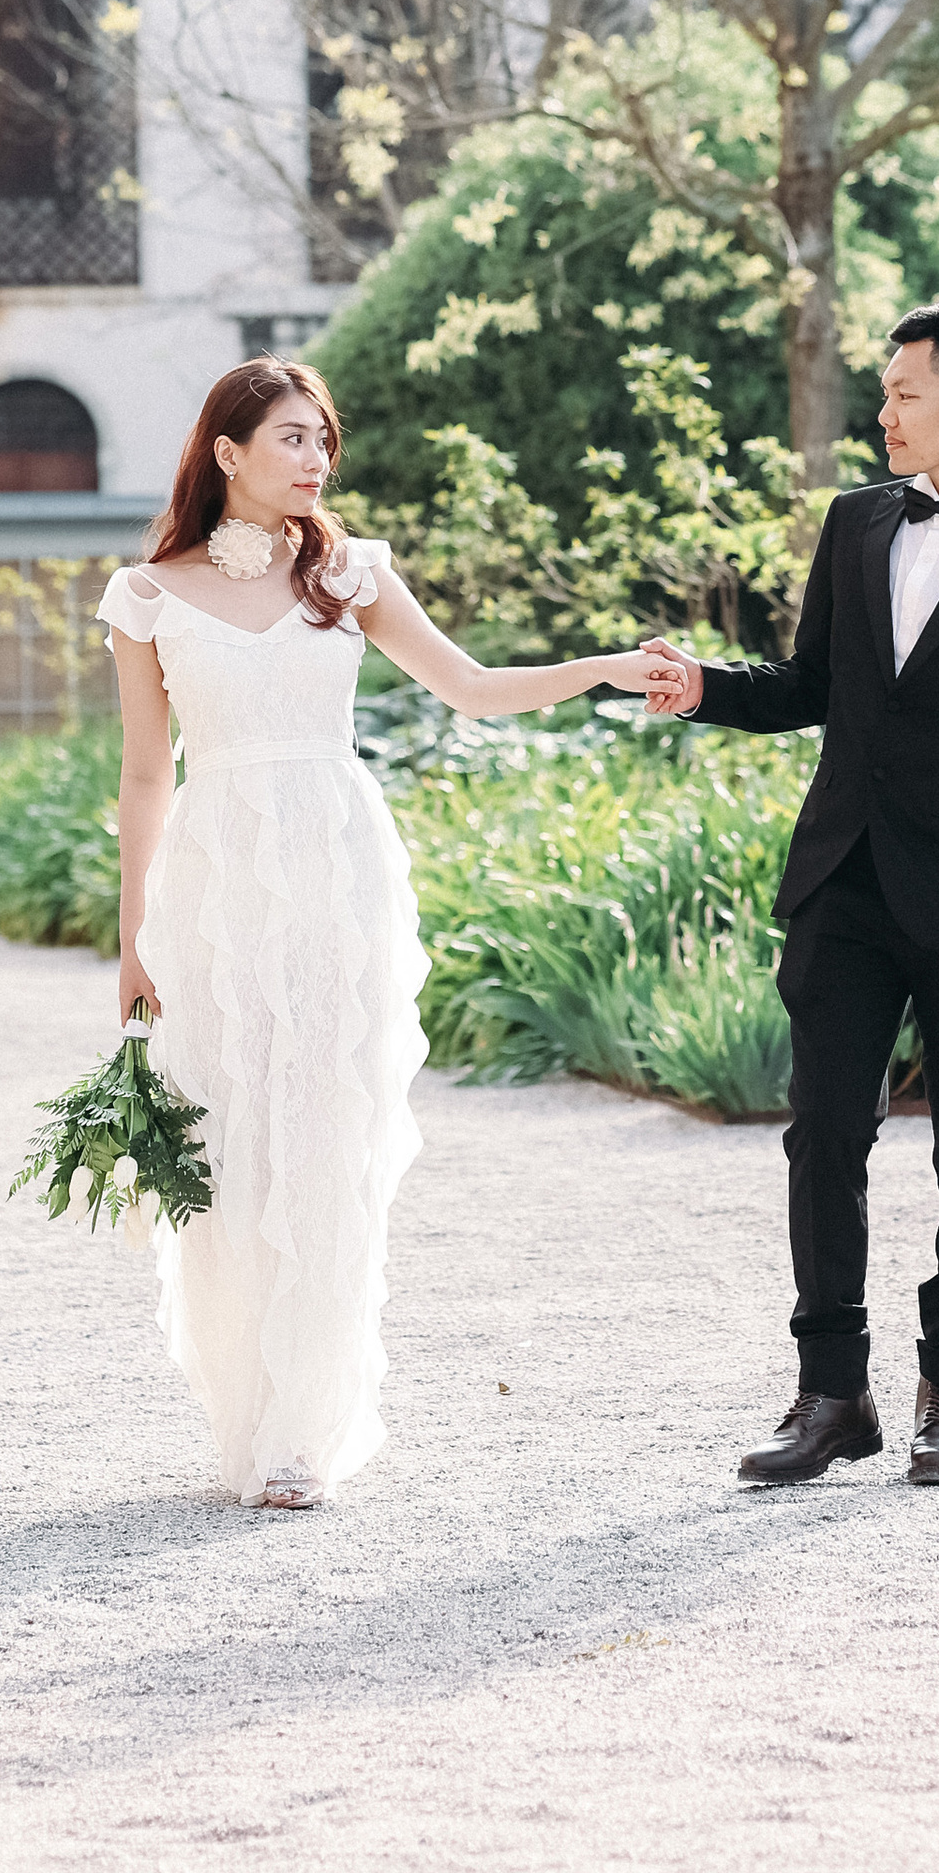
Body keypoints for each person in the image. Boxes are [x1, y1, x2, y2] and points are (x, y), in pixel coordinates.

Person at [101, 357, 672, 1511]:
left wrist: (604, 669)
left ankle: (300, 1432)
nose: (316, 460)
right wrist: (135, 936)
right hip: (216, 884)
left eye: (323, 440)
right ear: (226, 453)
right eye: (292, 440)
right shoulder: (146, 595)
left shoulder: (351, 575)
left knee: (322, 1134)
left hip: (335, 869)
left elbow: (471, 688)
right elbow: (144, 773)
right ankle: (244, 1411)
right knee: (228, 1139)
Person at [643, 298, 939, 1490]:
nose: (885, 413)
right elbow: (811, 683)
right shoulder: (857, 525)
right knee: (822, 1144)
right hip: (844, 885)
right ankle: (830, 1395)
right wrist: (700, 685)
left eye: (905, 393)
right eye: (884, 393)